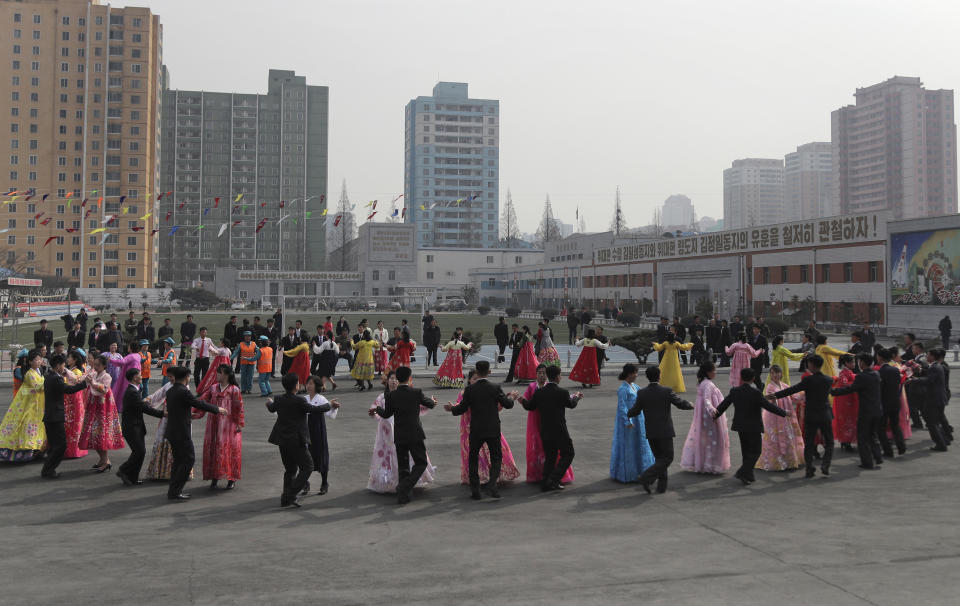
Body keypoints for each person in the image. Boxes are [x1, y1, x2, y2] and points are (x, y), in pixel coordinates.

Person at [445, 364, 519, 499]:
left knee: (472, 459)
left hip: (476, 429)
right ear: (489, 371)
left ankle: (475, 490)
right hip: (492, 428)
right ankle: (492, 484)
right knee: (496, 458)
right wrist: (512, 398)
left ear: (477, 372)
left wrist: (452, 409)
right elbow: (507, 404)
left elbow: (461, 408)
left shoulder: (470, 389)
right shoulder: (495, 388)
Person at [369, 366, 438, 504]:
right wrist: (433, 401)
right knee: (421, 462)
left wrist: (378, 409)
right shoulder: (416, 392)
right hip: (415, 433)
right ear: (409, 377)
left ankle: (403, 495)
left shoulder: (390, 396)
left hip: (399, 434)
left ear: (398, 379)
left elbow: (386, 414)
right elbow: (430, 404)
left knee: (403, 465)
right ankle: (404, 487)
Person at [714, 368, 788, 485]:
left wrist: (715, 415)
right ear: (753, 379)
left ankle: (747, 475)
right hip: (753, 427)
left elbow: (724, 404)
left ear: (741, 378)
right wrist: (783, 413)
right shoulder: (756, 393)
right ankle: (742, 472)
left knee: (746, 451)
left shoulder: (735, 391)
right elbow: (768, 406)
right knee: (756, 451)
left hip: (740, 426)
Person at [627, 366, 694, 494]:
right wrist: (690, 405)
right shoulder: (666, 391)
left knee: (660, 459)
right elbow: (679, 403)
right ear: (659, 376)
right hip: (665, 430)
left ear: (647, 377)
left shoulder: (642, 393)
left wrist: (628, 414)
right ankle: (646, 477)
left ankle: (661, 487)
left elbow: (635, 410)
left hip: (651, 431)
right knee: (667, 458)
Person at [767, 355, 836, 478]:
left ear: (812, 365)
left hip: (811, 415)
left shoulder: (808, 380)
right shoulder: (828, 380)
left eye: (809, 363)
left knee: (808, 442)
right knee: (829, 442)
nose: (808, 365)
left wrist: (776, 395)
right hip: (825, 415)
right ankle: (826, 465)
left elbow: (792, 390)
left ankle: (810, 468)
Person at [165, 366, 226, 501]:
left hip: (172, 430)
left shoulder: (171, 391)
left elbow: (180, 408)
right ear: (186, 377)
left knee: (179, 461)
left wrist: (188, 414)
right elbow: (198, 403)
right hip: (181, 432)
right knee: (188, 459)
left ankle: (173, 490)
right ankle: (175, 490)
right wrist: (217, 409)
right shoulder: (183, 391)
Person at [521, 365, 584, 493]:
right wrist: (576, 396)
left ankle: (545, 482)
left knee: (550, 456)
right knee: (568, 453)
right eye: (560, 375)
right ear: (557, 376)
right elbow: (571, 404)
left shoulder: (539, 392)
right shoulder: (562, 392)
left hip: (545, 430)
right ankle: (554, 479)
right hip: (560, 430)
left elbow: (529, 406)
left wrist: (521, 399)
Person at [830, 353, 884, 469]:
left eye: (858, 361)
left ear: (862, 363)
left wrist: (833, 392)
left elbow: (850, 388)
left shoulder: (861, 376)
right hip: (877, 409)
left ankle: (867, 462)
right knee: (873, 435)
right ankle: (878, 457)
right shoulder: (876, 374)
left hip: (866, 411)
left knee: (863, 438)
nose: (857, 363)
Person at [37, 354, 87, 478]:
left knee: (54, 445)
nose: (64, 367)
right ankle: (48, 469)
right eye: (63, 365)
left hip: (50, 415)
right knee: (61, 445)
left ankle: (47, 469)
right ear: (58, 365)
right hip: (55, 416)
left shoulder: (49, 376)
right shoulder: (56, 378)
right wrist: (84, 383)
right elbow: (68, 390)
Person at [197, 364, 245, 490]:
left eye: (219, 372)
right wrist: (192, 412)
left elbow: (238, 408)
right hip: (213, 424)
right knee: (214, 448)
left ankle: (231, 478)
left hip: (228, 426)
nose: (217, 375)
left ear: (226, 374)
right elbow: (202, 402)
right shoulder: (213, 388)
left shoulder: (234, 390)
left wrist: (239, 423)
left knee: (230, 449)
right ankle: (215, 477)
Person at [680, 361, 731, 474]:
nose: (715, 372)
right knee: (713, 439)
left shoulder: (703, 382)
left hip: (703, 415)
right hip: (709, 416)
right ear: (708, 372)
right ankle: (710, 464)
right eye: (714, 370)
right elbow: (706, 399)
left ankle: (703, 462)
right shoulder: (707, 384)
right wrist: (712, 410)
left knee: (705, 438)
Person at [78, 354, 126, 472]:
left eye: (98, 365)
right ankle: (104, 460)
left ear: (104, 366)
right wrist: (67, 373)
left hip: (103, 408)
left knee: (101, 434)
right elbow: (80, 379)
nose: (95, 367)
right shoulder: (94, 374)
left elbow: (104, 389)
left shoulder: (107, 376)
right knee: (93, 434)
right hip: (94, 407)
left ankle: (105, 461)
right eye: (95, 365)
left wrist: (92, 382)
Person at [116, 367, 163, 485]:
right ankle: (123, 470)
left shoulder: (134, 390)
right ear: (134, 378)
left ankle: (132, 477)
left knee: (140, 452)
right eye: (140, 375)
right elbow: (143, 408)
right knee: (139, 452)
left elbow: (140, 405)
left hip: (136, 426)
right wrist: (162, 414)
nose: (141, 377)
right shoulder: (132, 392)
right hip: (132, 427)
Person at [610, 364, 655, 482]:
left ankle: (642, 470)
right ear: (629, 374)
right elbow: (622, 406)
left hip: (639, 419)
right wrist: (627, 420)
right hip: (629, 420)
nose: (637, 375)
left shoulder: (635, 386)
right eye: (635, 372)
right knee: (629, 445)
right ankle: (628, 473)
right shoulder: (623, 389)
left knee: (640, 443)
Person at [0, 350, 47, 462]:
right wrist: (49, 379)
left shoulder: (38, 370)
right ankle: (26, 450)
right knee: (27, 424)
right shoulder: (29, 373)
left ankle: (36, 449)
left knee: (35, 425)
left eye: (40, 359)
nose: (39, 361)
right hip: (29, 404)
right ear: (30, 361)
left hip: (36, 403)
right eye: (36, 359)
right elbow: (38, 386)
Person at [757, 365, 805, 472]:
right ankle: (778, 461)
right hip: (774, 415)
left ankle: (788, 461)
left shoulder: (784, 385)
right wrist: (774, 401)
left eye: (777, 372)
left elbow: (795, 397)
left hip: (787, 415)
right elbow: (770, 401)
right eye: (772, 373)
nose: (775, 375)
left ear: (781, 374)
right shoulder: (769, 387)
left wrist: (804, 393)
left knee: (789, 436)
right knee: (775, 438)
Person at [300, 375, 341, 496]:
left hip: (318, 430)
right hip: (305, 430)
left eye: (311, 384)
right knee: (304, 457)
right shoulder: (303, 399)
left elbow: (330, 414)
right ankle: (305, 483)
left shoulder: (322, 399)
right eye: (307, 383)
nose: (308, 386)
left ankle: (324, 482)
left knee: (321, 455)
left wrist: (333, 407)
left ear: (317, 386)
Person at [907, 348, 950, 451]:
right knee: (936, 421)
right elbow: (930, 375)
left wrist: (916, 380)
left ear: (933, 357)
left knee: (931, 422)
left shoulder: (935, 367)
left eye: (928, 355)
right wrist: (921, 370)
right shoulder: (935, 366)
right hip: (938, 398)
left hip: (934, 399)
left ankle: (941, 444)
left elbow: (930, 380)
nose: (926, 357)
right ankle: (944, 440)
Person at [877, 348, 908, 457]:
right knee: (895, 426)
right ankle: (901, 447)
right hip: (895, 402)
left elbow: (879, 389)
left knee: (881, 427)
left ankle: (887, 450)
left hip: (884, 403)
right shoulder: (895, 370)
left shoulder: (880, 372)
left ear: (880, 358)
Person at [831, 354, 859, 453]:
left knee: (849, 419)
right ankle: (846, 441)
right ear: (846, 363)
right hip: (845, 400)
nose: (854, 364)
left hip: (848, 398)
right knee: (847, 420)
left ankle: (846, 441)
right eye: (852, 362)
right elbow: (844, 384)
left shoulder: (847, 372)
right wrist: (857, 381)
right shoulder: (844, 373)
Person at [63, 349, 88, 459]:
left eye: (69, 357)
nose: (67, 359)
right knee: (70, 426)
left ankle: (73, 450)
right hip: (70, 401)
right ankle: (71, 449)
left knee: (73, 426)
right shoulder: (72, 370)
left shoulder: (76, 372)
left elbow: (75, 383)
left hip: (74, 401)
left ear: (75, 360)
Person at [111, 341, 144, 412]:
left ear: (131, 348)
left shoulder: (131, 356)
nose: (128, 347)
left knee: (124, 391)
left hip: (129, 377)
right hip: (136, 375)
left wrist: (111, 360)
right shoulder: (138, 355)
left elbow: (122, 362)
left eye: (129, 346)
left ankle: (122, 407)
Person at [747, 324, 769, 389]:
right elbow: (748, 347)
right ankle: (761, 386)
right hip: (752, 359)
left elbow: (766, 347)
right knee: (752, 376)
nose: (754, 330)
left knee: (757, 375)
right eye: (753, 329)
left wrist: (764, 350)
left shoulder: (763, 338)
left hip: (760, 359)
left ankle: (760, 389)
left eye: (756, 329)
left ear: (759, 330)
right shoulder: (751, 337)